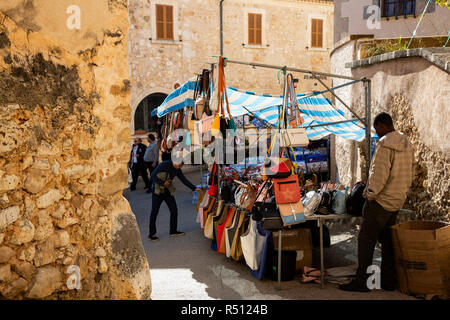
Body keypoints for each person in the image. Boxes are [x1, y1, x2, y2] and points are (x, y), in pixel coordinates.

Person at [340, 112, 415, 292]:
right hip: (397, 200)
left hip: (381, 201)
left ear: (381, 125)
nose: (377, 133)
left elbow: (378, 174)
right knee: (388, 241)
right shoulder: (406, 142)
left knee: (366, 239)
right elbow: (411, 171)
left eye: (376, 129)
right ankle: (389, 280)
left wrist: (370, 194)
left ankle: (362, 281)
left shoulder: (385, 143)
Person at [148, 159, 201, 241]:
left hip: (167, 191)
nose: (178, 167)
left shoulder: (177, 169)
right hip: (157, 191)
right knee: (154, 212)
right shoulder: (164, 164)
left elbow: (184, 180)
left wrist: (194, 188)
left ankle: (173, 231)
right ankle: (151, 234)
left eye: (181, 166)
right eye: (178, 165)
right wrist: (162, 183)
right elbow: (152, 175)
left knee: (174, 210)